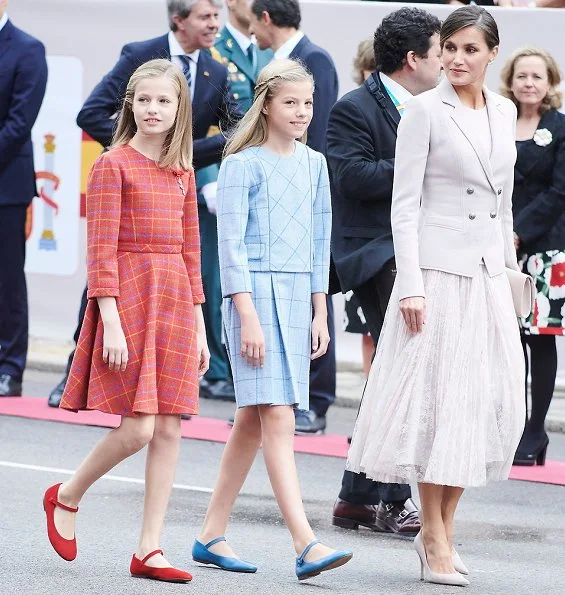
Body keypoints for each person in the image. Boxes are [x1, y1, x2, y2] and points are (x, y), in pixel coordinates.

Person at [347, 6, 525, 587]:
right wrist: (412, 286)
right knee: (437, 409)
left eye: (471, 49)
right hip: (437, 274)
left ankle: (437, 531)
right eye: (449, 47)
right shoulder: (424, 111)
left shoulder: (504, 110)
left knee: (476, 407)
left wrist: (509, 271)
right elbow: (405, 205)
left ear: (491, 53)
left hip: (488, 277)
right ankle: (437, 540)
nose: (457, 59)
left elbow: (503, 205)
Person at [42, 59, 209, 583]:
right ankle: (66, 496)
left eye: (164, 100)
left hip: (176, 302)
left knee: (169, 430)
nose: (153, 109)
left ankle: (150, 550)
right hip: (130, 298)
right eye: (144, 100)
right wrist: (110, 320)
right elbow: (102, 252)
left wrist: (200, 325)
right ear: (130, 105)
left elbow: (191, 252)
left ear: (179, 107)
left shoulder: (183, 170)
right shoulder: (112, 164)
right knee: (137, 428)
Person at [192, 59, 352, 581]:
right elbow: (230, 248)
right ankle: (305, 543)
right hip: (253, 298)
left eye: (308, 103)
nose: (302, 112)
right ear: (266, 104)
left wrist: (319, 309)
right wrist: (246, 316)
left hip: (294, 296)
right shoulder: (242, 163)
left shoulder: (314, 164)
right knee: (277, 418)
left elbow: (318, 242)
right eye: (291, 102)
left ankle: (210, 534)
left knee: (250, 422)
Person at [48, 0, 241, 407]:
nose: (214, 25)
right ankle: (77, 372)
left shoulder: (216, 70)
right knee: (104, 280)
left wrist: (179, 153)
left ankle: (154, 385)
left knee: (180, 278)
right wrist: (136, 153)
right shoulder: (139, 55)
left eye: (217, 17)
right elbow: (91, 113)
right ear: (179, 20)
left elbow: (234, 129)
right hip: (130, 179)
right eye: (205, 17)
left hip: (173, 182)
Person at [329, 7, 441, 537]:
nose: (447, 63)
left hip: (418, 251)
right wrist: (420, 164)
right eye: (441, 52)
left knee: (393, 374)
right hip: (375, 253)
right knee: (403, 370)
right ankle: (393, 501)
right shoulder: (355, 107)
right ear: (414, 58)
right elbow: (351, 177)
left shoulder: (436, 107)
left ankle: (355, 497)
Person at [250, 0, 339, 435]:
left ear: (266, 18)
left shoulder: (315, 59)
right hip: (283, 188)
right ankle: (272, 402)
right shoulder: (274, 63)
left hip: (305, 192)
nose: (250, 31)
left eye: (253, 21)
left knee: (314, 296)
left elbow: (318, 132)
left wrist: (306, 182)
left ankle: (315, 401)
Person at [196, 0, 273, 402]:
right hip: (220, 180)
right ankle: (218, 369)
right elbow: (206, 122)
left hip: (260, 181)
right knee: (216, 274)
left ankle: (237, 362)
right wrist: (207, 180)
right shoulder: (214, 50)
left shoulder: (266, 49)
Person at [500, 47, 565, 466]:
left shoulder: (559, 128)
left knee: (539, 339)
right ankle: (509, 426)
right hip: (497, 247)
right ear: (511, 80)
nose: (528, 83)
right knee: (507, 341)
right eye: (522, 75)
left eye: (536, 77)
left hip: (543, 249)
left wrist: (518, 232)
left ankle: (535, 429)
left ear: (549, 83)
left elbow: (559, 192)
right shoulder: (498, 121)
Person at [0, 1, 48, 397]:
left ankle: (10, 367)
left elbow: (19, 121)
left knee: (7, 277)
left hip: (6, 184)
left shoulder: (27, 49)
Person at [342, 39, 377, 379]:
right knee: (366, 331)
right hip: (360, 246)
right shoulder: (353, 109)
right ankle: (369, 398)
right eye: (369, 69)